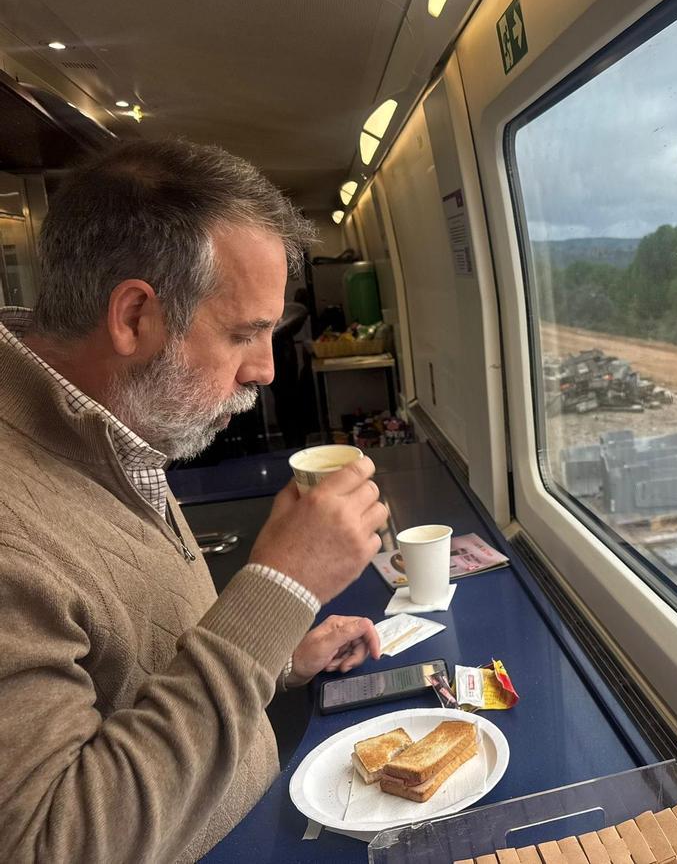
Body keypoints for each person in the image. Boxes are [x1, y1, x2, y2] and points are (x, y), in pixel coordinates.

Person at [0, 139, 390, 862]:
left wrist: (275, 657)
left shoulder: (113, 425)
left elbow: (126, 677)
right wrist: (281, 587)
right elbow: (47, 842)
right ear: (135, 317)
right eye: (246, 333)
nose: (268, 369)